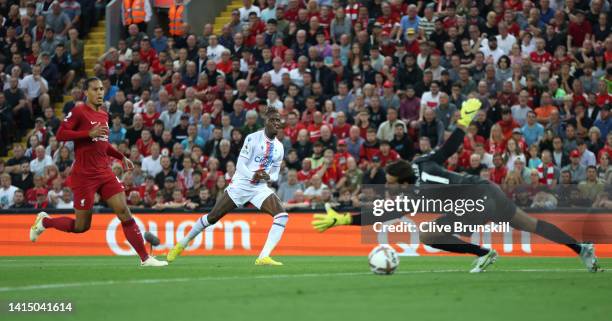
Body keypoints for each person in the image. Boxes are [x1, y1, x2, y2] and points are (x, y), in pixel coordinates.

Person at [312, 97, 600, 273]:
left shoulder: (412, 195)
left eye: (391, 184)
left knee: (427, 234)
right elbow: (448, 149)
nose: (390, 188)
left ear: (401, 180)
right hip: (487, 190)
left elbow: (380, 213)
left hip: (474, 203)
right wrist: (463, 121)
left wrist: (344, 219)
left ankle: (484, 254)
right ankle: (581, 248)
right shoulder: (423, 162)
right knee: (531, 224)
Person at [29, 77, 167, 267]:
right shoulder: (78, 111)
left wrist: (120, 156)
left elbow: (102, 143)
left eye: (102, 89)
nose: (100, 92)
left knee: (124, 212)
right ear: (86, 92)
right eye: (95, 89)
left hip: (104, 171)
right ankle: (45, 222)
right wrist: (87, 133)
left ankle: (145, 258)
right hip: (84, 175)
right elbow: (61, 134)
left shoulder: (103, 114)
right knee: (81, 226)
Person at [168, 107, 289, 266]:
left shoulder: (279, 147)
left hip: (259, 188)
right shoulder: (253, 138)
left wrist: (268, 177)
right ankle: (182, 244)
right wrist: (253, 175)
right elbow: (240, 165)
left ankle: (263, 257)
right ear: (266, 122)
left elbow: (274, 174)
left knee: (282, 215)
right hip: (241, 185)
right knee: (212, 217)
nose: (276, 123)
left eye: (278, 121)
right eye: (272, 120)